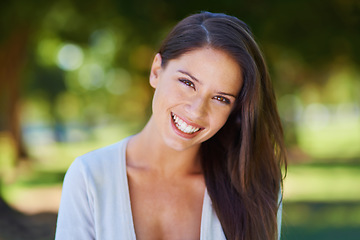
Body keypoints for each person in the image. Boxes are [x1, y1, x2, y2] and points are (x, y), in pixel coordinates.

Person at [55, 11, 287, 240]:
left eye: (220, 98)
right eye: (187, 83)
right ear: (156, 71)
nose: (196, 110)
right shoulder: (89, 177)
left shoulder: (254, 187)